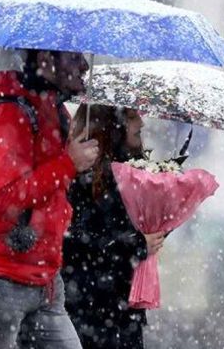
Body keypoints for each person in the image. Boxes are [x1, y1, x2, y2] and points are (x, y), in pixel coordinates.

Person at [0, 49, 99, 348]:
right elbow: (5, 199)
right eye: (74, 58)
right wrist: (68, 164)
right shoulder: (7, 113)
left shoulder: (55, 113)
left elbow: (49, 194)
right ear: (46, 58)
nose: (84, 65)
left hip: (44, 282)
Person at [62, 104, 166, 349]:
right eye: (133, 122)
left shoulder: (133, 173)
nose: (141, 126)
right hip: (88, 307)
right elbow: (72, 241)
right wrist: (136, 244)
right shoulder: (81, 175)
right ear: (114, 126)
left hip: (119, 308)